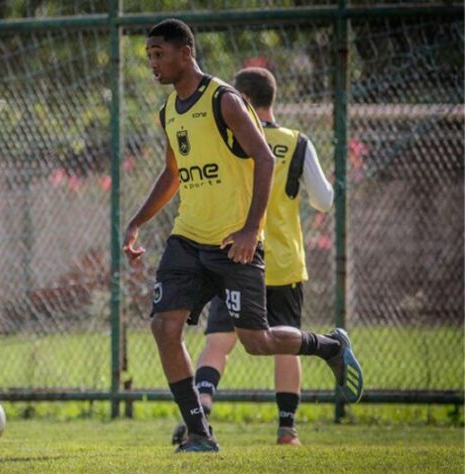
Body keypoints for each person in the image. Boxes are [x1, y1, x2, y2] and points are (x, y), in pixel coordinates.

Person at [123, 19, 363, 453]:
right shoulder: (168, 111)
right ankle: (199, 432)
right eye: (149, 56)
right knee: (164, 326)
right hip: (187, 239)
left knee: (258, 342)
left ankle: (328, 346)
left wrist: (252, 229)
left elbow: (265, 158)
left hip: (234, 245)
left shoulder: (225, 100)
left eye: (159, 54)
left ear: (186, 52)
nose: (153, 64)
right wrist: (136, 221)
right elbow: (173, 172)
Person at [170, 67, 336, 447]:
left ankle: (203, 404)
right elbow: (324, 201)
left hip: (234, 257)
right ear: (271, 98)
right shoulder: (297, 143)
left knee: (218, 342)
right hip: (281, 263)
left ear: (240, 98)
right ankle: (287, 429)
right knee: (284, 342)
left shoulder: (229, 137)